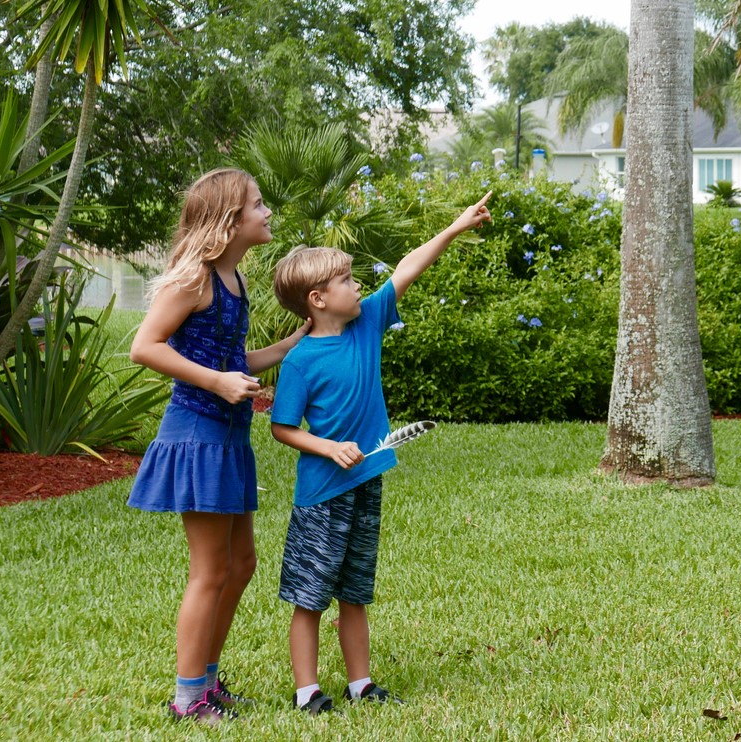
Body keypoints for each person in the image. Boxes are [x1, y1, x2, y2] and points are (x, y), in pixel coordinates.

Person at [269, 193, 491, 715]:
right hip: (322, 494)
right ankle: (307, 692)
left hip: (367, 481)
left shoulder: (368, 322)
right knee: (310, 595)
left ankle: (360, 683)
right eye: (345, 280)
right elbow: (281, 428)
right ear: (318, 299)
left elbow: (409, 265)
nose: (357, 284)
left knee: (355, 589)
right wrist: (327, 446)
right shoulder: (300, 360)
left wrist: (455, 227)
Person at [127, 168, 310, 726]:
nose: (267, 212)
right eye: (258, 204)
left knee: (241, 564)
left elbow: (232, 361)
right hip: (197, 435)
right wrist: (217, 382)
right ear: (230, 220)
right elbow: (144, 347)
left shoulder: (234, 279)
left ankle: (207, 680)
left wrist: (290, 345)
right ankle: (187, 699)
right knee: (210, 571)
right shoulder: (195, 278)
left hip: (228, 438)